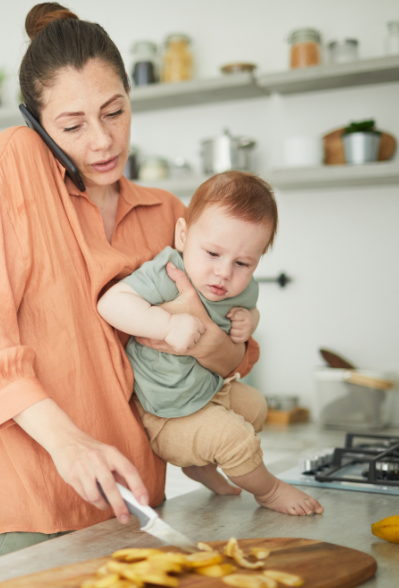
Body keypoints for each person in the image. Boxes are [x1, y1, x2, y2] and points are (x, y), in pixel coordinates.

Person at [0, 3, 259, 569]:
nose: (102, 140)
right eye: (72, 125)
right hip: (30, 509)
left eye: (114, 112)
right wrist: (69, 442)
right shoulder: (14, 164)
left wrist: (200, 336)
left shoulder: (168, 214)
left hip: (137, 511)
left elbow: (232, 358)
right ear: (37, 124)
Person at [98, 172, 324, 516]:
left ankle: (200, 466)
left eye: (242, 263)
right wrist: (167, 323)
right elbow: (111, 304)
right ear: (184, 236)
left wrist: (252, 321)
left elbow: (249, 308)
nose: (223, 273)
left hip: (209, 390)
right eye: (213, 253)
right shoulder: (168, 273)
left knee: (257, 407)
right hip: (165, 414)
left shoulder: (242, 287)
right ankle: (270, 490)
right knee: (234, 438)